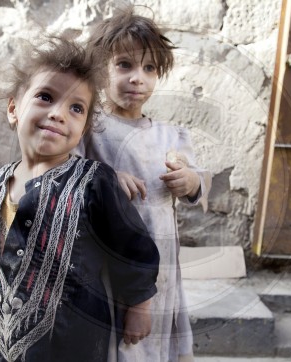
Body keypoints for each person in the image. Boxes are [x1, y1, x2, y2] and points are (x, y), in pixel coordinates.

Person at [0, 35, 160, 362]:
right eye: (45, 97)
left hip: (72, 335)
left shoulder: (95, 183)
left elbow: (133, 248)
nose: (59, 114)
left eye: (76, 108)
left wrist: (139, 307)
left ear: (83, 126)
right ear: (14, 109)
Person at [78, 5, 212, 362]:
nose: (138, 78)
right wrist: (105, 177)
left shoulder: (170, 134)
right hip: (112, 257)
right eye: (125, 65)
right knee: (119, 339)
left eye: (149, 68)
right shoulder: (91, 129)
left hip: (162, 256)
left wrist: (190, 180)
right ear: (100, 69)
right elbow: (66, 174)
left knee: (155, 340)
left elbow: (198, 185)